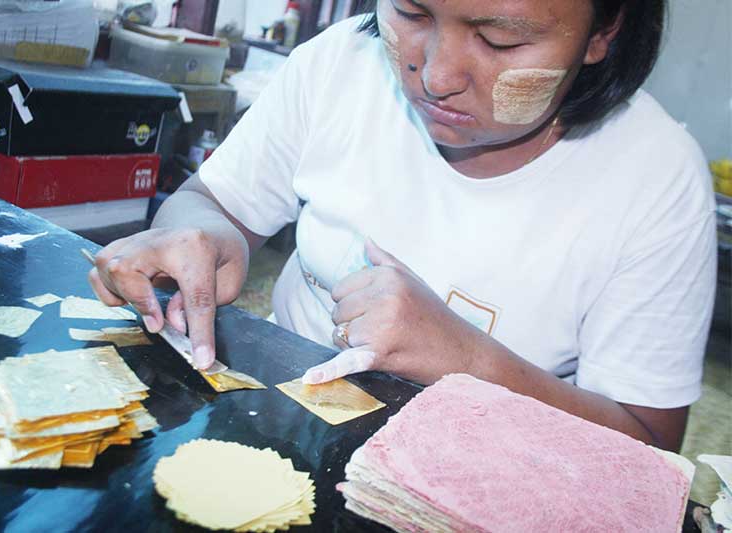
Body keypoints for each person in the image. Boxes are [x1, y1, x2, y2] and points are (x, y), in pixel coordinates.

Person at [89, 0, 716, 452]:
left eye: (499, 40)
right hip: (274, 427)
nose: (436, 75)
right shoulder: (339, 65)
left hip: (481, 472)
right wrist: (201, 232)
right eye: (412, 13)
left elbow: (646, 445)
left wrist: (468, 360)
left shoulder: (655, 179)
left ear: (603, 30)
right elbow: (212, 200)